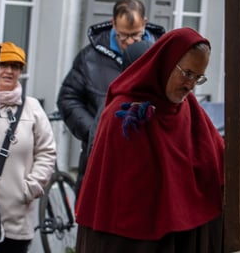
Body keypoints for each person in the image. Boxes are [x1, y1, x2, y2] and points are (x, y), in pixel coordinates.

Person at [75, 27, 225, 253]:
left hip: (181, 236)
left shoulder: (190, 108)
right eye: (187, 73)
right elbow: (114, 193)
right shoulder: (122, 113)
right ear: (166, 63)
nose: (191, 85)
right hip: (131, 241)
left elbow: (216, 158)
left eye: (198, 77)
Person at [57, 0, 165, 195]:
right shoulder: (89, 57)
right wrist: (95, 131)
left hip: (148, 161)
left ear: (145, 23)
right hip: (100, 158)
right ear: (113, 23)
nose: (129, 42)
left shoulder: (162, 56)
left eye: (136, 35)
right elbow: (68, 99)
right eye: (123, 36)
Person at [0, 41, 56, 253]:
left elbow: (47, 152)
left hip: (15, 217)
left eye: (15, 66)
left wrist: (30, 189)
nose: (9, 71)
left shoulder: (32, 108)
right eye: (3, 65)